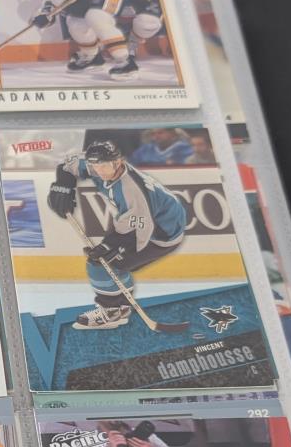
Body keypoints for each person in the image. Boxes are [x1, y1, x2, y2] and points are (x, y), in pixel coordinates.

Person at [45, 137, 186, 330]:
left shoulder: (131, 190)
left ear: (118, 162)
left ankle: (111, 312)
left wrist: (111, 247)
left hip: (162, 232)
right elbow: (67, 166)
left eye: (104, 166)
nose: (99, 171)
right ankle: (122, 307)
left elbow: (141, 231)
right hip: (138, 217)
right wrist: (63, 186)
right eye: (95, 166)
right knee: (110, 260)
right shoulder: (96, 165)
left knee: (101, 264)